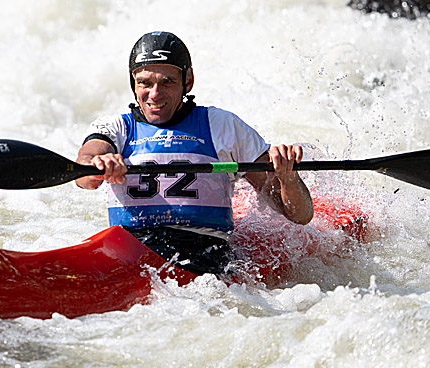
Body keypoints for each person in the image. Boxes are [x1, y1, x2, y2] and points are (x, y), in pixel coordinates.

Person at [75, 31, 314, 275]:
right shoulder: (116, 128)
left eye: (167, 82)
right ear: (133, 84)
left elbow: (300, 215)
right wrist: (98, 163)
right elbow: (82, 173)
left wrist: (288, 177)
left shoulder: (221, 125)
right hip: (131, 254)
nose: (154, 94)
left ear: (187, 81)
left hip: (205, 257)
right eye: (145, 83)